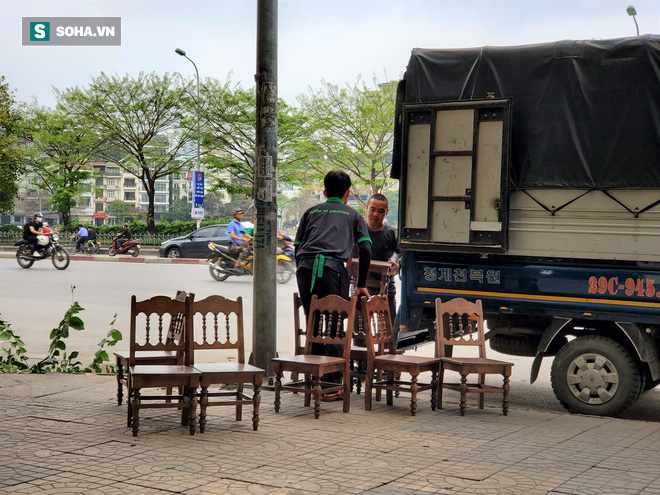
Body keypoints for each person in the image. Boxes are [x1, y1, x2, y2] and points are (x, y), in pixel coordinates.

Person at [294, 171, 372, 399]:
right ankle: (330, 387)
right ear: (347, 193)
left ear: (325, 192)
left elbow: (297, 247)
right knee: (336, 327)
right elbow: (365, 248)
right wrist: (361, 283)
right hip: (332, 270)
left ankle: (315, 382)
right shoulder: (353, 215)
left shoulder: (311, 212)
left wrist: (303, 269)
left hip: (306, 270)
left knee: (314, 323)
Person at [364, 194, 401, 325]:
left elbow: (403, 256)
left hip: (385, 288)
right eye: (372, 209)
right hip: (362, 287)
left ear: (386, 212)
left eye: (380, 211)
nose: (375, 214)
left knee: (389, 333)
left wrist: (398, 266)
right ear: (367, 208)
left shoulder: (391, 233)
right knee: (360, 336)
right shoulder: (358, 230)